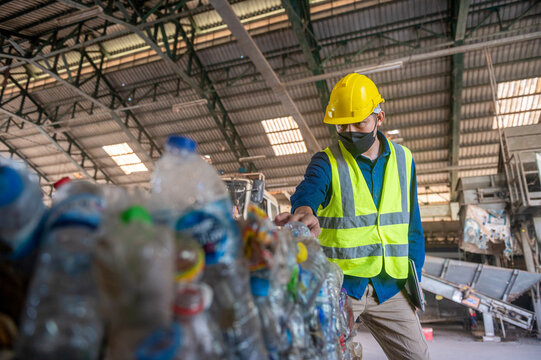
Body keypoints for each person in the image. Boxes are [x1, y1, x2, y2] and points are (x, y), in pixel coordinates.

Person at [275, 73, 429, 359]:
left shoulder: (404, 159)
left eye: (359, 122)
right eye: (342, 124)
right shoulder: (327, 160)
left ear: (379, 117)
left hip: (390, 287)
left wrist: (414, 281)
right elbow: (308, 191)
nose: (350, 130)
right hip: (342, 288)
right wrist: (304, 212)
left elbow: (413, 226)